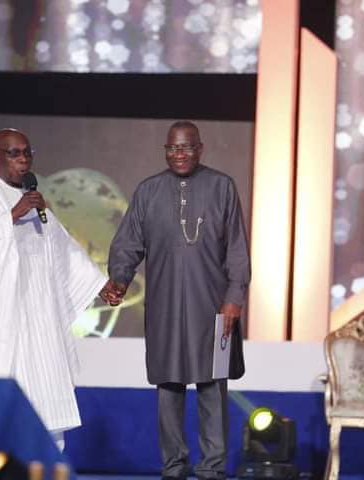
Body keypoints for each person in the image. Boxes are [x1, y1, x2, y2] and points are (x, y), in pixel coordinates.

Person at [100, 121, 250, 480]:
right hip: (166, 306)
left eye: (185, 148)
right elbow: (127, 243)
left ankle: (212, 467)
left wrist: (234, 298)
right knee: (169, 387)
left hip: (213, 306)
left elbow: (237, 251)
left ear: (200, 149)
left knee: (213, 387)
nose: (178, 155)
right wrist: (119, 278)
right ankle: (174, 465)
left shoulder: (222, 187)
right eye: (172, 149)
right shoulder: (149, 191)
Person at [0, 128, 107, 449]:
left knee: (47, 404)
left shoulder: (34, 199)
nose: (23, 160)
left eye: (27, 153)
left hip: (39, 321)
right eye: (14, 153)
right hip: (0, 322)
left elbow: (62, 248)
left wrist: (101, 286)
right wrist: (12, 215)